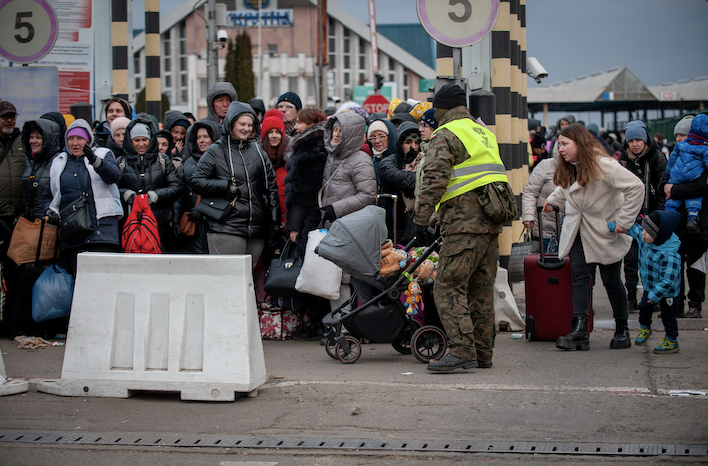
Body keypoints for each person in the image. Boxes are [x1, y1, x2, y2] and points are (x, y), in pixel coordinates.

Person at [414, 84, 509, 372]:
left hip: (463, 223)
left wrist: (421, 219)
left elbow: (434, 178)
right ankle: (483, 353)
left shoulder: (447, 133)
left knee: (447, 285)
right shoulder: (483, 133)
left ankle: (461, 350)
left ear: (441, 108)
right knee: (480, 288)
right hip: (490, 223)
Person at [543, 123, 644, 351]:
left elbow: (636, 187)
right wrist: (552, 200)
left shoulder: (604, 164)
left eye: (565, 144)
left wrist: (624, 222)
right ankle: (580, 329)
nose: (560, 149)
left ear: (579, 143)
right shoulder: (572, 166)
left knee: (610, 280)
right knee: (579, 276)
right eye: (560, 145)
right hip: (578, 228)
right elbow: (568, 189)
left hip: (604, 231)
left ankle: (622, 329)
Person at [191, 101, 280, 266]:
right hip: (226, 227)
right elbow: (196, 181)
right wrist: (225, 186)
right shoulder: (216, 150)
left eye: (249, 125)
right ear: (231, 123)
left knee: (247, 281)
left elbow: (271, 188)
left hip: (256, 229)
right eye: (242, 124)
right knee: (226, 281)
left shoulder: (258, 151)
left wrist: (274, 222)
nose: (246, 128)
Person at [44, 119, 123, 276]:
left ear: (88, 139)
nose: (75, 143)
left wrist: (96, 162)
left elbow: (114, 176)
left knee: (103, 281)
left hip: (102, 232)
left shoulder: (103, 154)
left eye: (80, 138)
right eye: (71, 139)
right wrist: (49, 211)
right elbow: (49, 195)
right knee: (78, 284)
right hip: (72, 235)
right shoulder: (59, 161)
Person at [320, 112, 377, 312]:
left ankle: (350, 326)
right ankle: (340, 326)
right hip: (334, 225)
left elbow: (368, 194)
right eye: (334, 130)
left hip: (350, 227)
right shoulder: (333, 156)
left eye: (341, 131)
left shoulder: (360, 159)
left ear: (351, 134)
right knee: (334, 277)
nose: (336, 134)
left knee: (346, 278)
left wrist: (335, 209)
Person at [609, 211, 681, 353]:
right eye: (644, 231)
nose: (643, 234)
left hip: (668, 293)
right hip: (650, 287)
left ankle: (672, 340)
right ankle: (645, 328)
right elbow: (635, 229)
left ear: (658, 236)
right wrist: (616, 226)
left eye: (647, 233)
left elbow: (667, 281)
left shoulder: (669, 255)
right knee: (644, 309)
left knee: (668, 316)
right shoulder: (647, 238)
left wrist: (654, 296)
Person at [619, 120, 667, 311]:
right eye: (631, 141)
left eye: (638, 139)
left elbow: (663, 188)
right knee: (630, 260)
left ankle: (651, 297)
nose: (635, 144)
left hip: (652, 216)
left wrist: (659, 216)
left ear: (645, 139)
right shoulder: (623, 160)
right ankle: (631, 297)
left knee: (651, 260)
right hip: (630, 217)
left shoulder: (657, 158)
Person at [117, 115, 183, 249]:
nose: (141, 144)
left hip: (160, 224)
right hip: (130, 224)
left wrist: (155, 196)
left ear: (150, 140)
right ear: (130, 141)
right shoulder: (121, 163)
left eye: (144, 140)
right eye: (136, 140)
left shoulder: (162, 160)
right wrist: (125, 194)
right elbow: (112, 188)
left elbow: (176, 187)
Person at [284, 107, 327, 254]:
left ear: (312, 124)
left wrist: (294, 227)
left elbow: (301, 194)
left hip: (308, 219)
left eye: (299, 122)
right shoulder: (324, 143)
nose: (295, 127)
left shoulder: (309, 148)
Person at [175, 118, 221, 254]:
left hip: (213, 225)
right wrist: (176, 218)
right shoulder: (188, 163)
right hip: (192, 224)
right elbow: (181, 192)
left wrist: (203, 210)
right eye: (198, 137)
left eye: (205, 137)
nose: (201, 140)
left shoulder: (222, 161)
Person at [663, 114, 708, 234]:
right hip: (680, 226)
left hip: (701, 225)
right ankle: (691, 218)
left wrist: (672, 190)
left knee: (691, 202)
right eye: (676, 135)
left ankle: (691, 218)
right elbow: (664, 177)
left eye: (682, 135)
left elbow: (701, 186)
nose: (678, 139)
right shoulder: (679, 151)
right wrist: (663, 184)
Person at [379, 121, 420, 244]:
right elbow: (397, 178)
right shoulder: (389, 162)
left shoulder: (424, 160)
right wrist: (421, 177)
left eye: (417, 143)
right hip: (394, 223)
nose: (413, 146)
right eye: (408, 142)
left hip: (415, 224)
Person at [522, 140, 563, 252]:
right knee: (545, 266)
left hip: (571, 232)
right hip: (544, 231)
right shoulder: (546, 166)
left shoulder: (580, 170)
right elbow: (530, 192)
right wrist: (528, 216)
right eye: (561, 144)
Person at [0, 101, 26, 263]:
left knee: (16, 266)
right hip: (0, 215)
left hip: (19, 217)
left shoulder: (23, 141)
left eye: (12, 116)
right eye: (4, 117)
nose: (9, 120)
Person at [21, 119, 61, 221]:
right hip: (30, 222)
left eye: (38, 137)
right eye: (31, 137)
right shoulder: (29, 160)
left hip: (49, 221)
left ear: (48, 139)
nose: (33, 141)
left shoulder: (58, 161)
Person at [260, 110, 289, 227]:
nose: (274, 136)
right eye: (270, 132)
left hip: (286, 220)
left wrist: (286, 219)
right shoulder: (258, 160)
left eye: (277, 132)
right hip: (264, 221)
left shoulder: (289, 161)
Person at [366, 118, 397, 190]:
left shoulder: (399, 160)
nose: (377, 141)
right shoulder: (368, 162)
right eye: (373, 137)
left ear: (390, 137)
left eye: (381, 136)